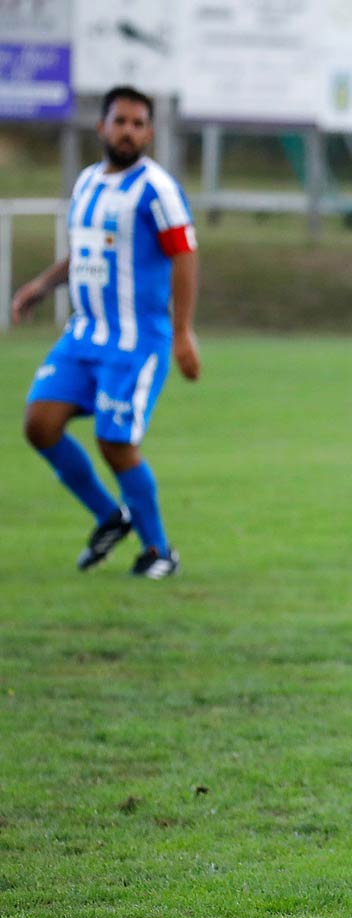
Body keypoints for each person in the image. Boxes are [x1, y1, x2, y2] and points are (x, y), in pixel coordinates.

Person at [12, 85, 200, 579]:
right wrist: (41, 285)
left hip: (136, 340)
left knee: (115, 441)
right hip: (85, 335)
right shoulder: (87, 183)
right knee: (40, 425)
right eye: (120, 121)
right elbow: (88, 251)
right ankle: (109, 516)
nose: (128, 131)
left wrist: (183, 333)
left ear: (150, 132)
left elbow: (184, 255)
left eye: (139, 124)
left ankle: (159, 552)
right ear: (102, 127)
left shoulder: (156, 188)